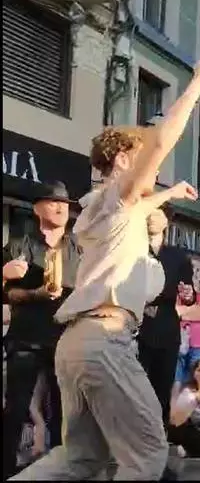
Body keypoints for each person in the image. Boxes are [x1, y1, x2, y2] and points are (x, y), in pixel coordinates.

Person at [11, 59, 200, 481]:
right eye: (145, 161)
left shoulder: (98, 208)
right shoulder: (118, 198)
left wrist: (170, 196)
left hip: (76, 345)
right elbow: (162, 142)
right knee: (147, 452)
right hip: (106, 341)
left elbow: (143, 204)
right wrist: (197, 85)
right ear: (124, 160)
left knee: (82, 457)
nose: (156, 170)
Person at [2, 181, 80, 479]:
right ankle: (7, 469)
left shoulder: (79, 246)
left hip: (66, 338)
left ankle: (65, 469)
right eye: (52, 202)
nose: (61, 207)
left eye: (65, 203)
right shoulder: (19, 245)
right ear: (37, 209)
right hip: (25, 338)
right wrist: (7, 275)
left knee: (65, 411)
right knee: (15, 409)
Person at [139, 207, 195, 435]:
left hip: (166, 329)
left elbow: (189, 295)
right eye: (149, 211)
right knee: (136, 391)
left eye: (158, 212)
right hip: (136, 328)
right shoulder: (132, 252)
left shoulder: (178, 256)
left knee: (162, 391)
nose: (152, 216)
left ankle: (158, 448)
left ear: (166, 222)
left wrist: (188, 295)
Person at [174, 258, 200, 402]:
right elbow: (175, 312)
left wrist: (184, 313)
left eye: (198, 269)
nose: (195, 272)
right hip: (177, 345)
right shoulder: (175, 295)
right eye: (192, 268)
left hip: (199, 347)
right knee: (176, 380)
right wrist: (194, 312)